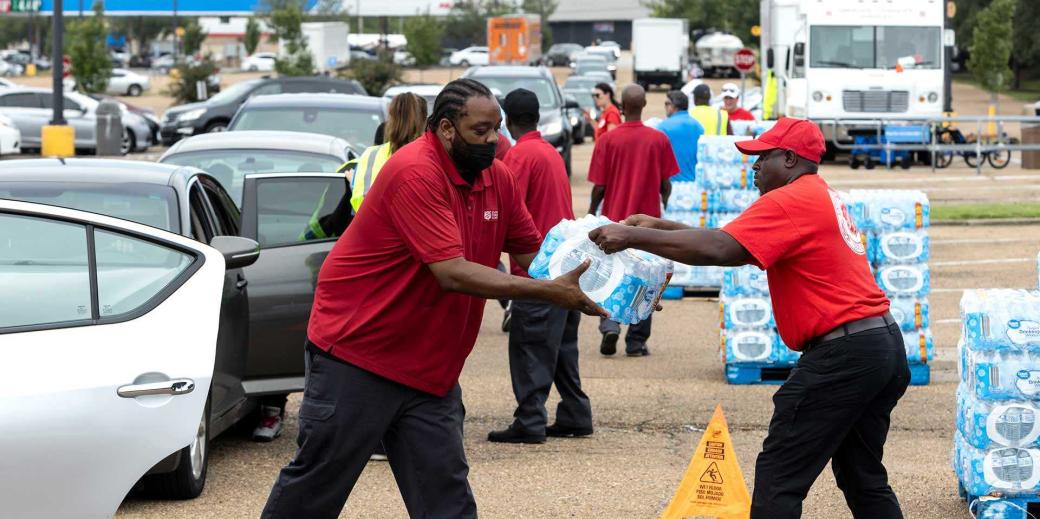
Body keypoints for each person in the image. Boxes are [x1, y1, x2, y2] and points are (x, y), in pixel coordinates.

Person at [260, 78, 607, 519]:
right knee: (315, 487)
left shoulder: (497, 178)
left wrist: (611, 281)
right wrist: (549, 292)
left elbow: (532, 252)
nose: (493, 140)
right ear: (446, 128)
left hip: (430, 371)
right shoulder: (415, 171)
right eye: (480, 131)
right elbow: (451, 272)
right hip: (359, 356)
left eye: (497, 128)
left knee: (446, 496)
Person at [588, 117, 908, 519]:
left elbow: (721, 249)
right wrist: (660, 226)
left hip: (843, 354)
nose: (754, 166)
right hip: (879, 346)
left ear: (789, 158)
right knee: (863, 476)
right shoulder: (816, 194)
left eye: (761, 157)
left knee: (779, 477)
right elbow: (732, 240)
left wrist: (633, 236)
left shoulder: (790, 201)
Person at [487, 89, 593, 444]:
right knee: (562, 347)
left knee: (530, 346)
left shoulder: (519, 157)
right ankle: (576, 413)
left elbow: (509, 212)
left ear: (507, 120)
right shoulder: (549, 152)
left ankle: (530, 421)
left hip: (536, 271)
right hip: (566, 268)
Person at [587, 84, 679, 357]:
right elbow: (666, 183)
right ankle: (636, 342)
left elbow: (599, 186)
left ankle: (610, 322)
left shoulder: (608, 141)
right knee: (647, 278)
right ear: (644, 105)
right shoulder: (658, 140)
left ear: (623, 107)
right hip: (648, 224)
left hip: (615, 222)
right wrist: (662, 206)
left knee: (611, 274)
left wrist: (593, 211)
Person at [656, 90, 704, 181]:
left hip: (671, 185)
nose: (665, 107)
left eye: (667, 103)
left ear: (674, 106)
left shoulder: (663, 127)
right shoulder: (698, 126)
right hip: (693, 184)